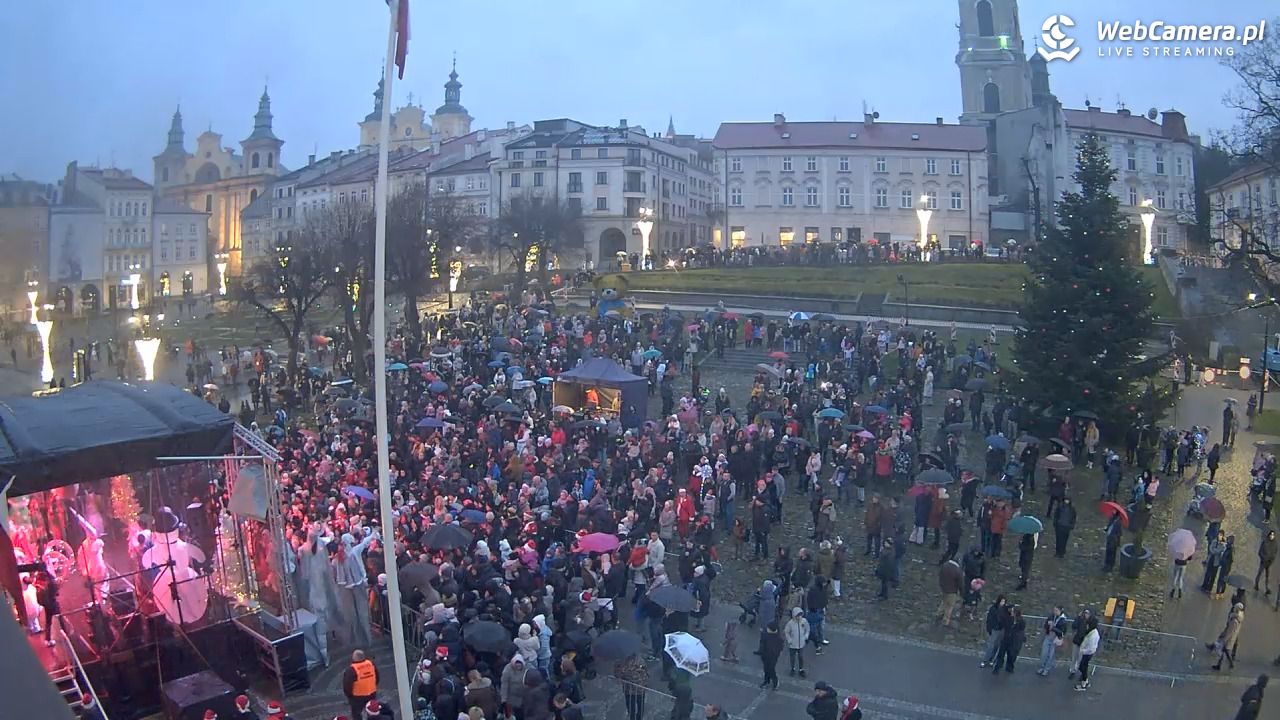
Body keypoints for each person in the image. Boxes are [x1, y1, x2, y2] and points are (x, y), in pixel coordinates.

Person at [1208, 602, 1245, 671]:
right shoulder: (1239, 617)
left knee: (1225, 651)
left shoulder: (1235, 620)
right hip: (1231, 637)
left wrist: (1225, 639)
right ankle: (1225, 664)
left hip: (1229, 638)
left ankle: (1223, 665)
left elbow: (1230, 631)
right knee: (1225, 651)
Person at [343, 649, 379, 720]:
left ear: (354, 658)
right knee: (371, 711)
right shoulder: (371, 664)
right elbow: (377, 677)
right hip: (371, 693)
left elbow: (347, 686)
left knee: (356, 714)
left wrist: (350, 696)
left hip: (357, 697)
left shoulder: (351, 670)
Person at [991, 605, 1026, 674]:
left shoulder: (1021, 621)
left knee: (1011, 655)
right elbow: (1002, 622)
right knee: (1001, 654)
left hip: (1013, 641)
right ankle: (997, 667)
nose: (1011, 612)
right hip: (1006, 639)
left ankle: (1009, 667)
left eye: (1013, 611)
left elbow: (1021, 631)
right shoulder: (1009, 618)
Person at [1037, 606, 1068, 676]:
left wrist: (1053, 628)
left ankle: (1046, 669)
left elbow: (1062, 632)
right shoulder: (1051, 616)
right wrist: (1047, 625)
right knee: (1044, 653)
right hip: (1048, 637)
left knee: (1050, 655)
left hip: (1055, 639)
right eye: (1054, 610)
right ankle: (1042, 667)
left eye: (1056, 610)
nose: (1055, 612)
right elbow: (1045, 625)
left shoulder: (1063, 620)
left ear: (1060, 611)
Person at [979, 595, 1009, 668]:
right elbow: (989, 619)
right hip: (995, 629)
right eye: (1002, 601)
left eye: (1004, 602)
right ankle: (985, 660)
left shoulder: (1005, 609)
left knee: (996, 646)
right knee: (990, 645)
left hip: (1001, 629)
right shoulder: (993, 608)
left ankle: (991, 659)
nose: (1003, 603)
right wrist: (989, 628)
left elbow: (1007, 619)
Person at [1074, 616, 1100, 691]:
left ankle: (1084, 684)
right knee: (1082, 667)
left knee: (1083, 667)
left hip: (1087, 653)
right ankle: (1085, 681)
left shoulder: (1093, 635)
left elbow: (1091, 648)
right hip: (1086, 652)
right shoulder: (1091, 632)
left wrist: (1083, 651)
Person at [784, 607, 811, 678]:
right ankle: (792, 668)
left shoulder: (804, 621)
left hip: (801, 643)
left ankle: (801, 669)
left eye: (800, 615)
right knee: (792, 657)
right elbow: (786, 632)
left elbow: (807, 629)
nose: (799, 617)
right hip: (792, 644)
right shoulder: (790, 623)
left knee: (801, 657)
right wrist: (789, 640)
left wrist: (806, 636)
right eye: (798, 615)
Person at [758, 621, 784, 690]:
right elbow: (762, 645)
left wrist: (775, 654)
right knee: (766, 669)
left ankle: (775, 682)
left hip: (773, 657)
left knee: (771, 669)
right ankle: (766, 681)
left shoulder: (778, 639)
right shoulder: (765, 635)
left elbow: (780, 648)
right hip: (765, 656)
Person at [937, 559, 962, 628]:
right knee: (950, 606)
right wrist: (962, 592)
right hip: (952, 591)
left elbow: (939, 575)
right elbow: (960, 583)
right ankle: (945, 621)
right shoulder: (957, 570)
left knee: (944, 602)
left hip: (944, 589)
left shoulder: (945, 565)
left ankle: (939, 614)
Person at [1256, 530, 1277, 594]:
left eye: (1273, 535)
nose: (1271, 536)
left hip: (1269, 562)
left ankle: (1267, 588)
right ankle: (1256, 584)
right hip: (1263, 561)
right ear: (1269, 535)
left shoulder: (1275, 544)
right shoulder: (1265, 542)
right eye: (1271, 535)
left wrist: (1272, 560)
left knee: (1267, 576)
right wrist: (1263, 558)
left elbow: (1275, 553)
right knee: (1259, 573)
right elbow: (1259, 552)